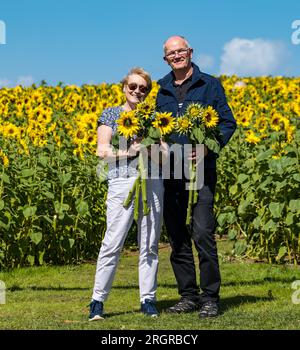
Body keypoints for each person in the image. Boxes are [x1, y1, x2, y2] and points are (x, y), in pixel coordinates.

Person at [156, 36, 237, 318]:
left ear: (190, 52)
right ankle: (188, 295)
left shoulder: (210, 84)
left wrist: (206, 148)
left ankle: (210, 297)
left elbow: (227, 122)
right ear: (165, 59)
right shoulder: (161, 89)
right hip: (171, 171)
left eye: (181, 51)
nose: (177, 56)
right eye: (171, 53)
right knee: (177, 235)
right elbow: (156, 129)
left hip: (202, 170)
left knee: (202, 232)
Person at [89, 67, 166, 320]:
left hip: (152, 181)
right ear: (124, 88)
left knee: (150, 244)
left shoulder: (155, 117)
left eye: (143, 88)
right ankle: (97, 301)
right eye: (133, 86)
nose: (137, 91)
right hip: (122, 182)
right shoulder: (111, 114)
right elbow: (102, 151)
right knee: (113, 242)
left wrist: (150, 147)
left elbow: (165, 157)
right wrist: (130, 152)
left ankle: (148, 299)